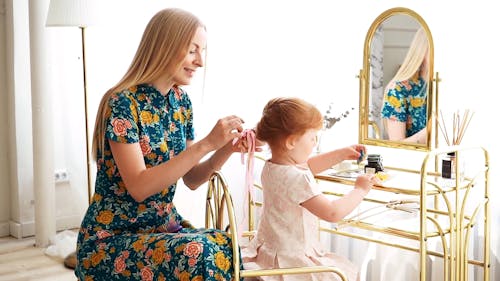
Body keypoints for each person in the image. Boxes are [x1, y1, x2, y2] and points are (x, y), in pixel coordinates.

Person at [75, 8, 254, 281]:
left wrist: (227, 147)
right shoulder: (122, 103)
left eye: (202, 51)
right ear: (165, 46)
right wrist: (206, 143)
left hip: (161, 228)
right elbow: (139, 187)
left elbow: (192, 179)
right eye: (193, 50)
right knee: (199, 253)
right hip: (113, 238)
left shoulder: (180, 102)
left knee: (227, 247)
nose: (200, 61)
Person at [241, 97, 379, 281]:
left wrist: (342, 153)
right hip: (293, 260)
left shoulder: (272, 167)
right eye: (312, 137)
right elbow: (332, 213)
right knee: (342, 275)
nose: (314, 142)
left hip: (271, 254)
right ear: (291, 142)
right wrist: (360, 190)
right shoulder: (298, 178)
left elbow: (306, 166)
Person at [381, 27, 430, 143]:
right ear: (422, 50)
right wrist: (431, 130)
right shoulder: (397, 90)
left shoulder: (446, 87)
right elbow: (396, 146)